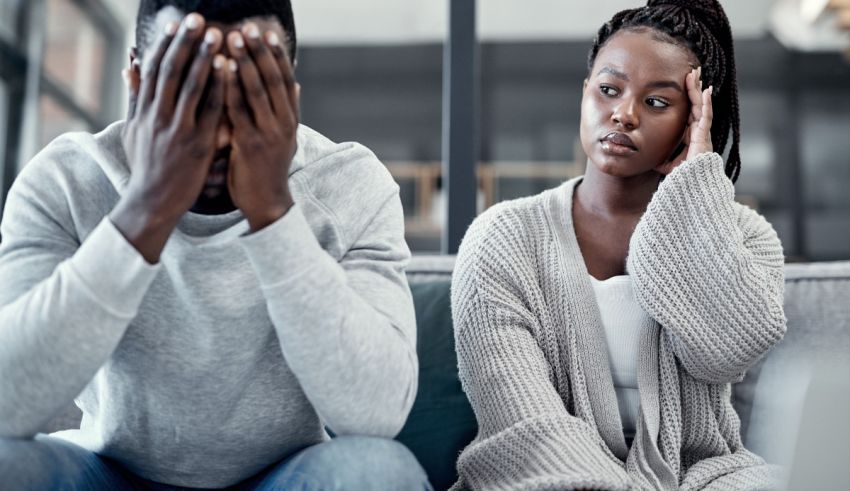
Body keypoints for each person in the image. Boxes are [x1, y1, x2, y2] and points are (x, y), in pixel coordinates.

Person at [0, 1, 430, 489]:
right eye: (188, 87)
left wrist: (272, 211)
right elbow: (7, 403)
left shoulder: (347, 183)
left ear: (288, 94)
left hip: (282, 475)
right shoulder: (66, 179)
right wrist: (148, 206)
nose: (217, 131)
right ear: (138, 82)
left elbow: (377, 415)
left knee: (376, 474)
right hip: (110, 471)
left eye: (248, 93)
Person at [450, 0, 787, 489]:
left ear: (693, 121)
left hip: (702, 477)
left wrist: (694, 189)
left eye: (656, 102)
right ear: (585, 94)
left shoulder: (745, 234)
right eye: (608, 90)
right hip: (550, 476)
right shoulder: (503, 237)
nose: (624, 114)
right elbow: (522, 423)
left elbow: (726, 355)